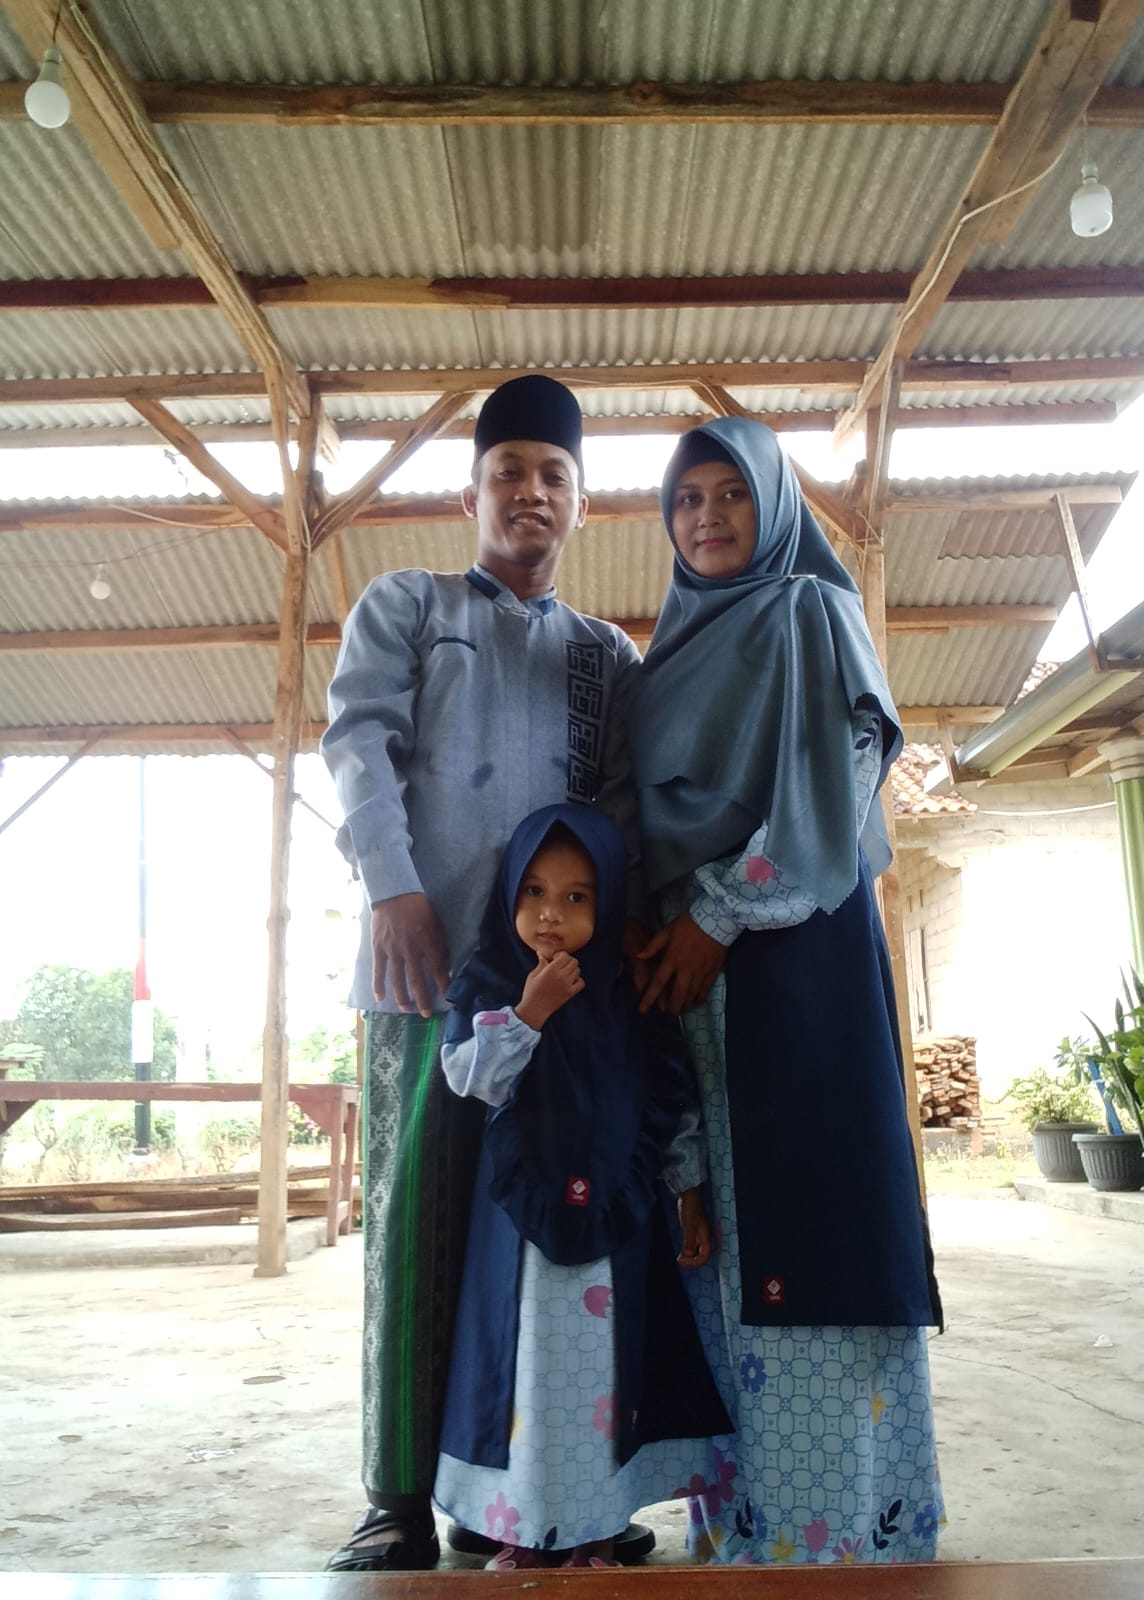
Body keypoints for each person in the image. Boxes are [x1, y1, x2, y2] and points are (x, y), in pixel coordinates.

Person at [320, 375, 649, 1572]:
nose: (530, 491)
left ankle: (512, 1491)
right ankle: (399, 1496)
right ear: (472, 495)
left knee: (536, 1248)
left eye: (554, 475)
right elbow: (358, 738)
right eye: (508, 471)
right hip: (421, 977)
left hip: (555, 1003)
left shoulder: (605, 655)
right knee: (416, 1235)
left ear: (581, 504)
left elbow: (620, 812)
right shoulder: (409, 606)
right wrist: (392, 888)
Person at [628, 416, 944, 1567]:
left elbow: (844, 783)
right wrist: (673, 933)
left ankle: (838, 1541)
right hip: (694, 1001)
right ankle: (743, 1532)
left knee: (814, 1242)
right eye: (687, 498)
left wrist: (718, 913)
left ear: (773, 505)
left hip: (795, 969)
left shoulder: (812, 610)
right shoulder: (662, 660)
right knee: (717, 1252)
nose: (707, 516)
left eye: (732, 493)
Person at [433, 802, 731, 1569]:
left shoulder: (628, 992)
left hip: (614, 1228)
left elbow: (668, 1100)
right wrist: (530, 1011)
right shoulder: (493, 980)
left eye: (576, 896)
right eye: (533, 891)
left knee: (602, 1383)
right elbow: (472, 1076)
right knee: (526, 1377)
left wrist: (688, 1189)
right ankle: (522, 1532)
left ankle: (595, 1531)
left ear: (608, 902)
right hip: (520, 1234)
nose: (550, 915)